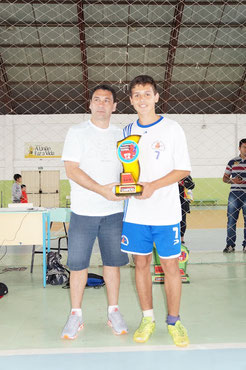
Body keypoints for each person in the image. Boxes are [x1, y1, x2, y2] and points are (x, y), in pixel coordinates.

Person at [121, 75, 191, 347]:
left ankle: (174, 321)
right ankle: (147, 318)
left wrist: (153, 186)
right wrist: (126, 187)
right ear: (130, 100)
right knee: (141, 264)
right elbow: (126, 168)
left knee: (171, 265)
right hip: (136, 212)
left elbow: (183, 169)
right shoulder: (126, 131)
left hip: (166, 211)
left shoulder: (173, 128)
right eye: (136, 95)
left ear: (156, 97)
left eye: (147, 94)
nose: (142, 99)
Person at [61, 85, 129, 340]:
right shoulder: (76, 132)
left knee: (113, 263)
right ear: (89, 104)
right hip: (83, 211)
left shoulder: (123, 134)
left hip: (114, 212)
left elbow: (130, 167)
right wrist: (101, 190)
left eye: (107, 100)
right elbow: (72, 170)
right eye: (97, 100)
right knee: (78, 265)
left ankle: (113, 311)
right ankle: (75, 315)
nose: (101, 104)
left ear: (114, 106)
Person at [223, 138, 246, 253]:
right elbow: (224, 179)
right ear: (239, 148)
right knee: (231, 220)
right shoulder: (232, 162)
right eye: (244, 147)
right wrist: (233, 181)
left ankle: (245, 245)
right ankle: (230, 245)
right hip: (234, 194)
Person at [178, 176, 195, 244]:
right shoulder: (170, 175)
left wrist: (182, 183)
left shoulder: (185, 176)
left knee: (183, 221)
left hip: (183, 202)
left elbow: (192, 185)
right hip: (172, 201)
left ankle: (182, 238)